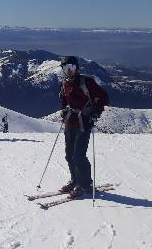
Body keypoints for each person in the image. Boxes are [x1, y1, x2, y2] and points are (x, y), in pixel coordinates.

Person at [58, 56, 109, 198]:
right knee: (69, 155)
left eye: (72, 68)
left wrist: (95, 111)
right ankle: (75, 180)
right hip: (70, 122)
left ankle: (85, 185)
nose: (69, 71)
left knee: (79, 155)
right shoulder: (64, 83)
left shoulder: (86, 81)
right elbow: (63, 99)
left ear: (77, 68)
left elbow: (104, 97)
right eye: (66, 68)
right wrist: (63, 110)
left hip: (84, 122)